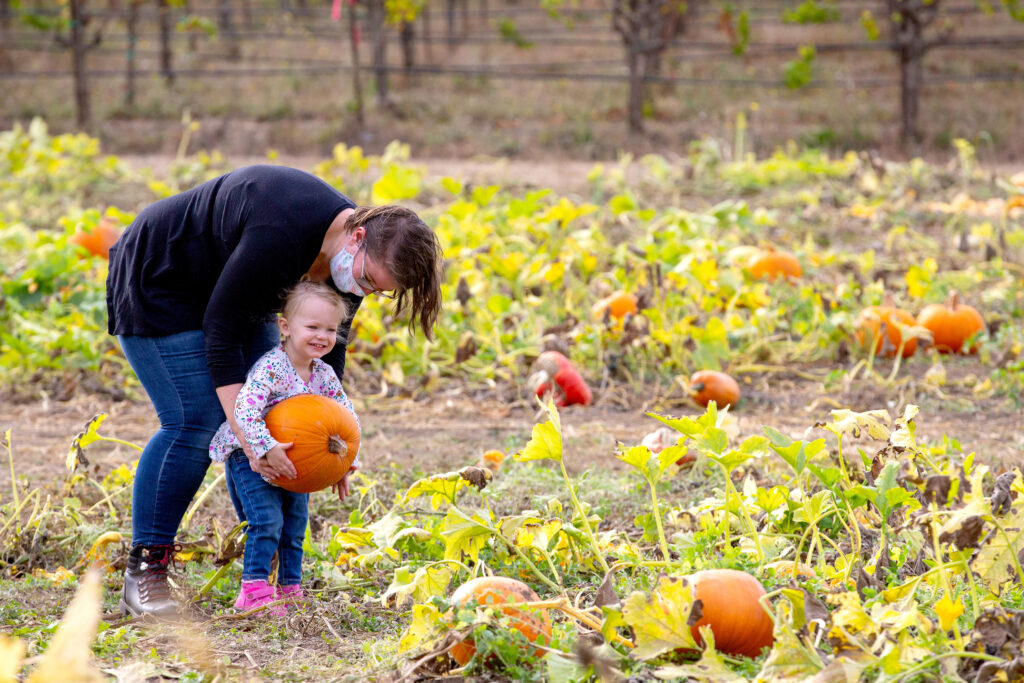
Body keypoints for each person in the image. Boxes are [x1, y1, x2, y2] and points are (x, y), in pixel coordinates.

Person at [106, 165, 444, 618]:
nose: (363, 292)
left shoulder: (349, 261)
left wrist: (335, 446)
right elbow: (222, 328)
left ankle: (258, 568)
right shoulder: (283, 230)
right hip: (162, 276)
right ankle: (144, 572)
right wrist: (248, 438)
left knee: (273, 405)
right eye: (367, 281)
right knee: (198, 421)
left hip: (235, 289)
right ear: (358, 237)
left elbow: (323, 359)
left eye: (376, 290)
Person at [209, 281, 359, 616]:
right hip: (251, 457)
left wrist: (344, 462)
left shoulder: (324, 374)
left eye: (330, 329)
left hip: (298, 464)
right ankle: (253, 590)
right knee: (266, 521)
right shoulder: (271, 367)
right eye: (312, 327)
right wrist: (266, 447)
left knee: (295, 525)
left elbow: (346, 418)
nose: (322, 336)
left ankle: (290, 587)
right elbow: (244, 410)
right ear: (286, 327)